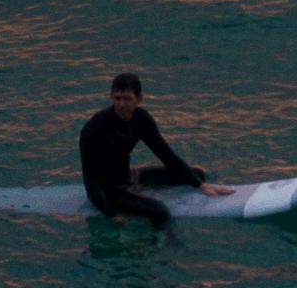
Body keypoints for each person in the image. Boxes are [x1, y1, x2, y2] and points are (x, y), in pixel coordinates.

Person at [80, 71, 206, 230]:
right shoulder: (95, 128)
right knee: (160, 211)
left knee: (197, 175)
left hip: (130, 177)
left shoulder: (141, 119)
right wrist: (111, 214)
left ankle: (197, 182)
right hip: (109, 190)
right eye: (117, 98)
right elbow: (91, 181)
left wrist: (200, 185)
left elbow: (164, 153)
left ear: (139, 99)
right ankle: (163, 244)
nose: (122, 104)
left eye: (127, 99)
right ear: (111, 97)